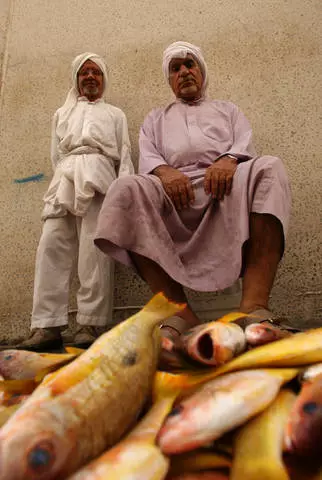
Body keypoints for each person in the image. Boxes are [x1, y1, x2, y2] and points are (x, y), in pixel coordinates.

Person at [94, 41, 291, 364]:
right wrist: (165, 171)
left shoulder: (228, 111)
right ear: (170, 79)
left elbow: (244, 145)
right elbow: (149, 157)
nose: (184, 71)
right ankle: (179, 313)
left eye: (190, 64)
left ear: (201, 71)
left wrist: (229, 159)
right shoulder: (155, 118)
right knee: (126, 190)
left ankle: (254, 308)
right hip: (175, 194)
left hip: (225, 188)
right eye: (176, 68)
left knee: (269, 168)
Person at [18, 52, 134, 351]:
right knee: (51, 246)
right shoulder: (61, 114)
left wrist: (124, 197)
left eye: (96, 72)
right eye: (85, 73)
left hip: (99, 176)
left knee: (93, 251)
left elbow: (124, 154)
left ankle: (90, 322)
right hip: (65, 178)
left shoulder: (115, 114)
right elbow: (56, 155)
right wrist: (68, 174)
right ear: (76, 79)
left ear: (104, 78)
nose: (91, 77)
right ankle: (46, 324)